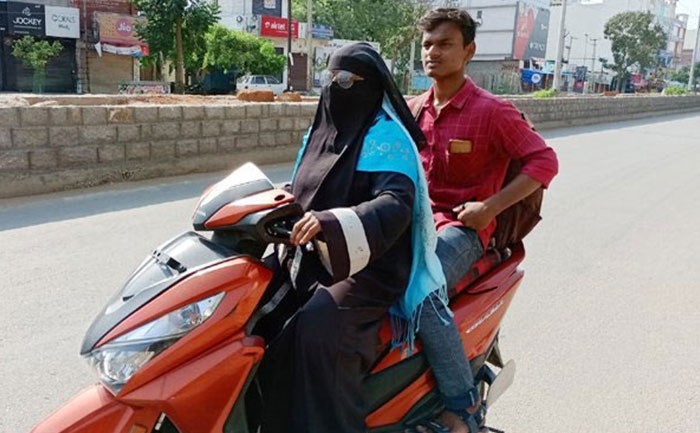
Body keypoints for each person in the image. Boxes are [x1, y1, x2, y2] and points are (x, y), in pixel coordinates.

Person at [259, 43, 446, 433]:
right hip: (310, 254)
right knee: (257, 309)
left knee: (319, 329)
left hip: (368, 263)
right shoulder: (320, 132)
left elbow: (395, 203)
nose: (334, 87)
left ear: (370, 85)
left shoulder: (386, 137)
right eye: (329, 78)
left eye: (345, 79)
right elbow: (303, 188)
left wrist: (329, 221)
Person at [409, 8, 560, 433]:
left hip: (464, 231)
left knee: (421, 294)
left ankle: (464, 404)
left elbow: (544, 161)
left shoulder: (492, 111)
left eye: (445, 44)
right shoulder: (414, 110)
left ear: (469, 51)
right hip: (413, 226)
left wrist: (490, 208)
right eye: (427, 44)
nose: (433, 52)